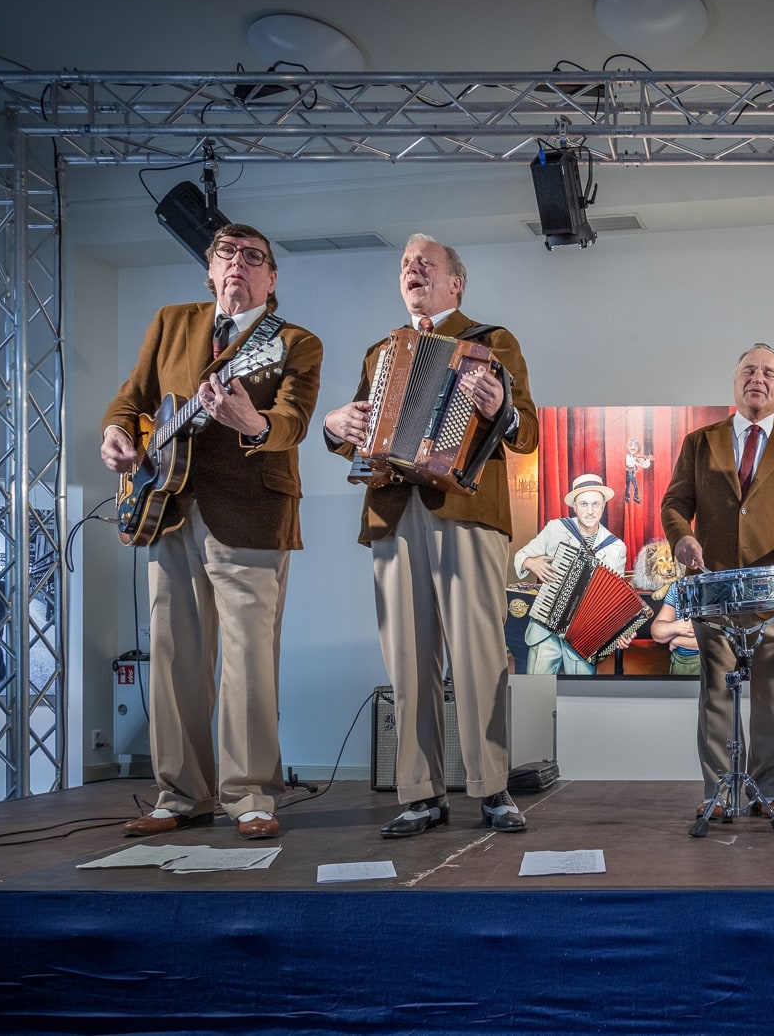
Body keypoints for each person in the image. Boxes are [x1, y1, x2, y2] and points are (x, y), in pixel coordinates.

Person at [100, 222, 323, 841]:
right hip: (167, 507)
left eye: (255, 258)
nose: (239, 265)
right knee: (173, 657)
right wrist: (116, 435)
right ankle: (180, 794)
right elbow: (131, 402)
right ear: (210, 269)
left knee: (248, 660)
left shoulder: (295, 342)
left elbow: (293, 421)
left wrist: (252, 423)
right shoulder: (170, 322)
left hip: (252, 511)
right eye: (228, 254)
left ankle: (251, 795)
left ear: (271, 281)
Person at [323, 233, 539, 838]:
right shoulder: (379, 352)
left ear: (456, 283)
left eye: (426, 263)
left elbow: (528, 432)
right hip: (394, 510)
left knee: (477, 658)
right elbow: (359, 430)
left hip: (466, 512)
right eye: (405, 266)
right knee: (408, 660)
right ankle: (419, 792)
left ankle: (492, 788)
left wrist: (502, 408)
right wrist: (335, 426)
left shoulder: (492, 342)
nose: (412, 270)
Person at [661, 343, 774, 819]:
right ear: (735, 381)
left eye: (768, 372)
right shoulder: (700, 443)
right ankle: (717, 793)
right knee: (717, 693)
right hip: (713, 589)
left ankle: (768, 791)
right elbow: (674, 504)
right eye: (748, 370)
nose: (757, 378)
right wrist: (680, 537)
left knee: (773, 696)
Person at [512, 473, 628, 674]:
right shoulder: (556, 529)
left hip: (583, 635)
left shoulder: (616, 547)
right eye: (583, 504)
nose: (590, 511)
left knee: (581, 696)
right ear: (574, 507)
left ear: (603, 506)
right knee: (536, 695)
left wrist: (618, 629)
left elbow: (614, 598)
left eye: (595, 504)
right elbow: (520, 557)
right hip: (545, 630)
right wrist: (531, 562)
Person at [623, 438, 652, 504]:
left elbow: (645, 465)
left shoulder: (638, 457)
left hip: (632, 475)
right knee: (627, 487)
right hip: (628, 474)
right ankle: (627, 497)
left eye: (635, 446)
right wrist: (636, 462)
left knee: (635, 487)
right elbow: (629, 463)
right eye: (631, 446)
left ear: (638, 448)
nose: (633, 447)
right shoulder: (628, 457)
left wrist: (644, 459)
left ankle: (635, 497)